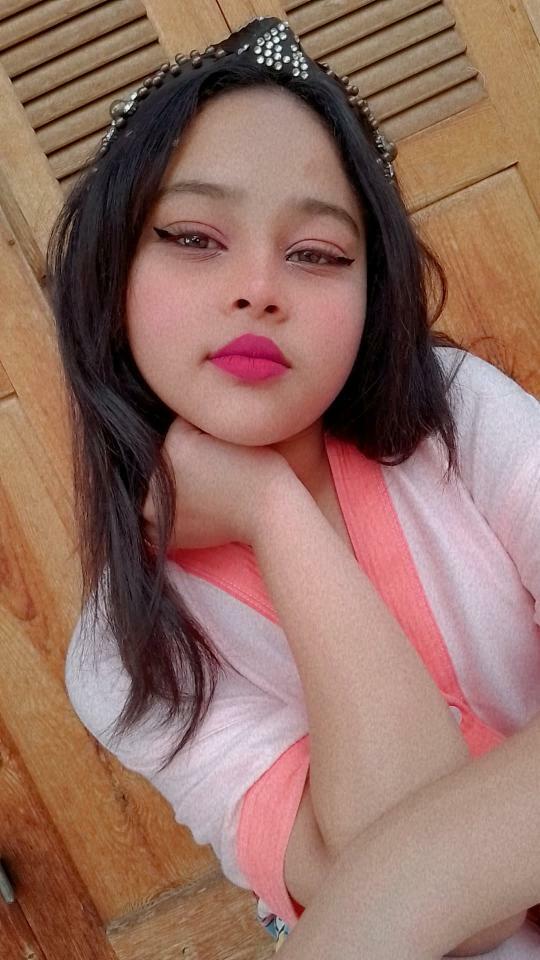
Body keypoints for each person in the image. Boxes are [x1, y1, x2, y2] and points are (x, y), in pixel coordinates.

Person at [48, 15, 540, 959]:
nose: (258, 288)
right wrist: (276, 516)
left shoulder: (460, 416)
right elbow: (452, 916)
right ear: (109, 276)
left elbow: (407, 894)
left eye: (316, 253)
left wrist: (399, 884)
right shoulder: (122, 656)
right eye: (194, 237)